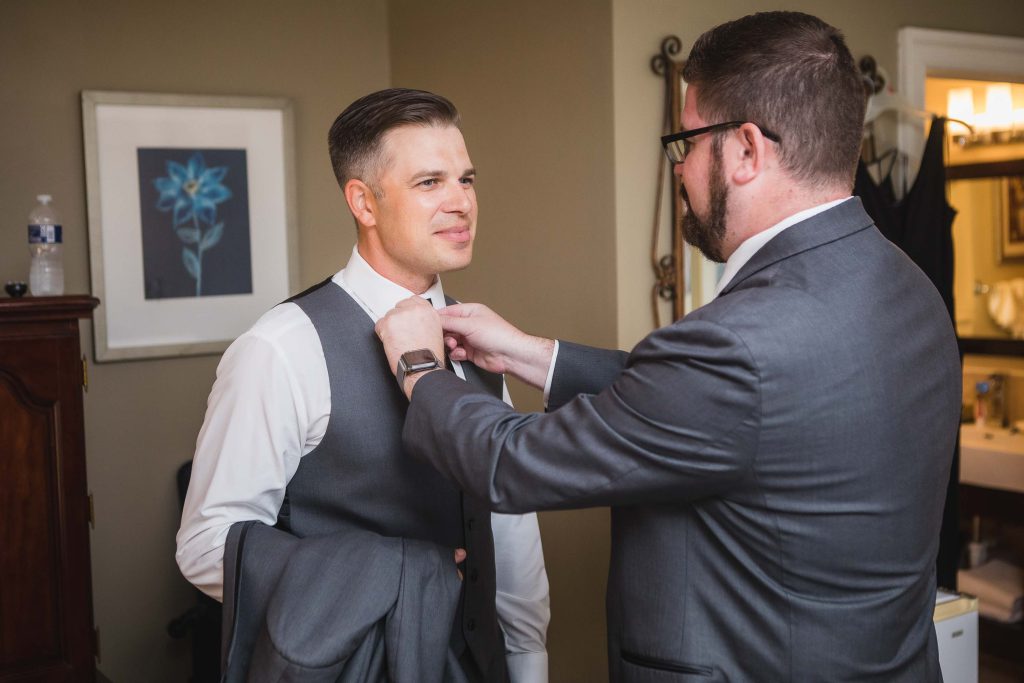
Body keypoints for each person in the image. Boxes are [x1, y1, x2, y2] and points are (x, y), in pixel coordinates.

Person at [375, 13, 961, 682]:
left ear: (745, 151)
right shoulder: (909, 287)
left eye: (686, 142)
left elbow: (509, 463)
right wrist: (531, 354)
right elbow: (742, 411)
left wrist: (419, 366)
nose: (681, 168)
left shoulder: (738, 346)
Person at [176, 88, 550, 682]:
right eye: (429, 182)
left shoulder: (478, 339)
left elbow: (509, 531)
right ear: (364, 202)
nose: (461, 202)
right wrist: (396, 576)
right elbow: (205, 545)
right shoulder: (280, 348)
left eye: (467, 179)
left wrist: (528, 663)